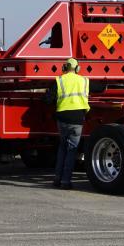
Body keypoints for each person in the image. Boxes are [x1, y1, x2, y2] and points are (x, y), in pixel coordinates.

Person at [45, 57, 91, 189]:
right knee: (72, 150)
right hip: (77, 119)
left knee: (62, 148)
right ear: (77, 68)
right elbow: (100, 87)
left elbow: (47, 99)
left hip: (62, 119)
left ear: (64, 68)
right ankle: (66, 182)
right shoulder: (84, 80)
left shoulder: (59, 80)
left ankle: (57, 179)